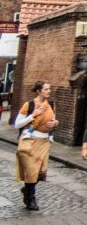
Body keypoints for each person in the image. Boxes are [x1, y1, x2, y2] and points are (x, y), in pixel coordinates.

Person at [14, 81, 58, 211]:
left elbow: (53, 119)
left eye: (49, 89)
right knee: (31, 171)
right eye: (46, 89)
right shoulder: (29, 105)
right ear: (39, 91)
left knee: (41, 172)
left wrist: (55, 123)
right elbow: (17, 124)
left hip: (44, 142)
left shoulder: (50, 104)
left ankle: (26, 189)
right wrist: (33, 115)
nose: (49, 91)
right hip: (30, 141)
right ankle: (31, 200)